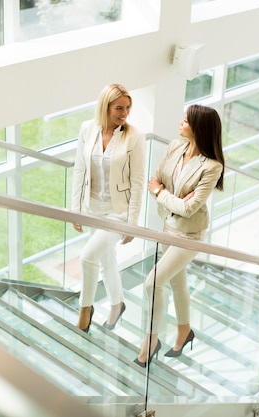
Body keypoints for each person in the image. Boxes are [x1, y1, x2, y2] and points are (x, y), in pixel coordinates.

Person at [134, 104, 225, 367]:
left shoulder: (212, 166)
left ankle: (151, 340)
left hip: (190, 236)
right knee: (176, 283)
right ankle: (185, 331)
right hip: (168, 227)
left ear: (199, 128)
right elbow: (155, 180)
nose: (180, 122)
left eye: (186, 120)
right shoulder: (175, 146)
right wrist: (170, 196)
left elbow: (188, 208)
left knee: (153, 283)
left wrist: (163, 193)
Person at [71, 83, 146, 333]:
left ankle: (85, 309)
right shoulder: (87, 129)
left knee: (88, 257)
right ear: (105, 106)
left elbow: (137, 182)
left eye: (127, 108)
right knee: (106, 259)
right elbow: (79, 169)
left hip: (117, 212)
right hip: (91, 207)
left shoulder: (134, 136)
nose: (124, 113)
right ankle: (117, 303)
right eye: (119, 108)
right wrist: (76, 209)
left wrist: (132, 222)